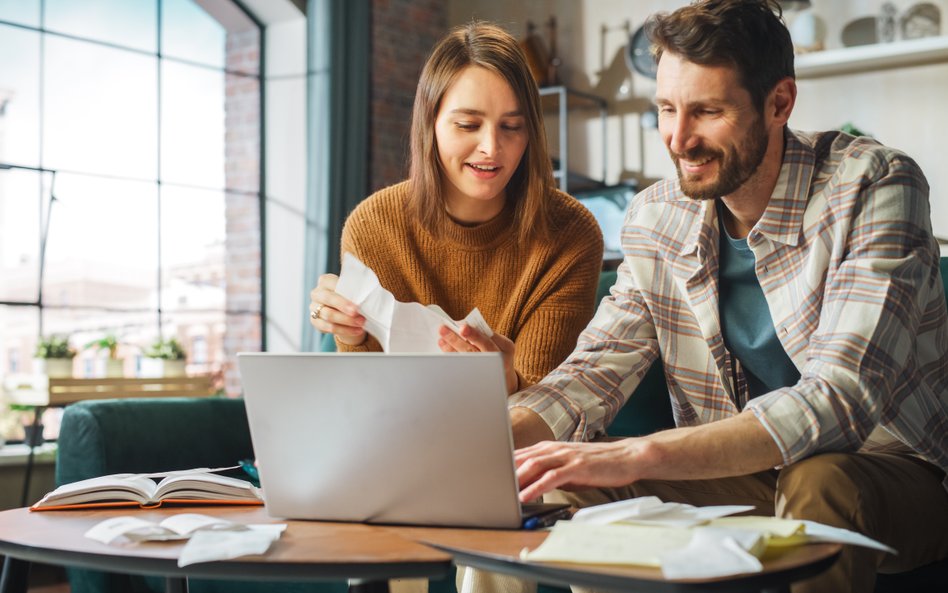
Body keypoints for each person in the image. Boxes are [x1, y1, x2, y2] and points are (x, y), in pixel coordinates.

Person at [507, 1, 948, 592]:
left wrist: (639, 454)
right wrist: (487, 442)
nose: (679, 139)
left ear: (779, 103)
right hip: (739, 476)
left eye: (707, 111)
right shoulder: (655, 218)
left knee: (819, 481)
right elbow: (593, 373)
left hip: (890, 472)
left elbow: (840, 400)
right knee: (546, 478)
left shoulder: (872, 183)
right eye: (666, 109)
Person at [309, 22, 603, 402]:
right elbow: (370, 400)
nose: (491, 147)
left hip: (525, 449)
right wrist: (350, 333)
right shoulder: (374, 226)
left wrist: (508, 383)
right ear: (430, 124)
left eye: (512, 127)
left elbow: (550, 407)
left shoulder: (570, 233)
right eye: (468, 125)